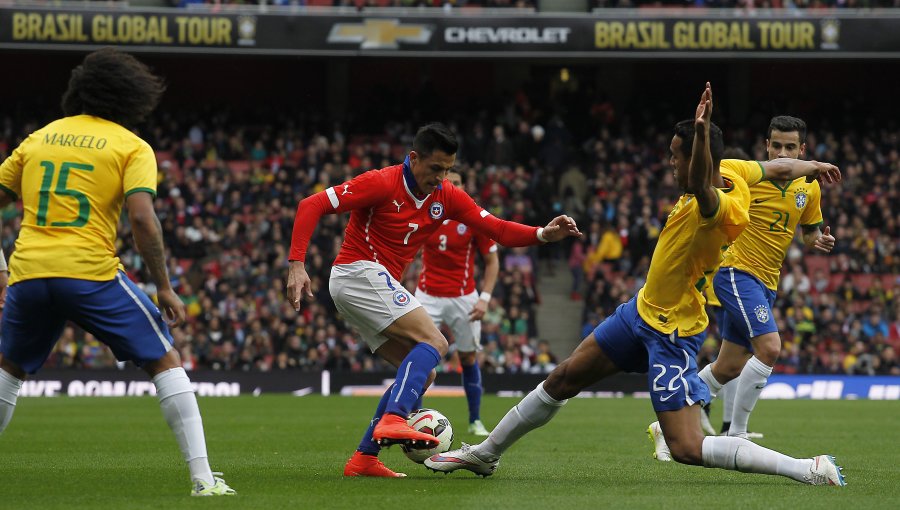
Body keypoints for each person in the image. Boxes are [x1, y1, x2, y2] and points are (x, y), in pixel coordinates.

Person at [425, 84, 846, 486]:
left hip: (672, 329)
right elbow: (777, 166)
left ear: (698, 158)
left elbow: (702, 184)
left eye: (676, 157)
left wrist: (700, 132)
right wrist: (815, 165)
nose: (671, 164)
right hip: (639, 311)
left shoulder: (725, 208)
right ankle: (486, 453)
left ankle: (807, 468)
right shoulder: (736, 168)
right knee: (563, 378)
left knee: (685, 447)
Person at [0, 48, 234, 496]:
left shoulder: (39, 138)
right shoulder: (130, 145)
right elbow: (143, 219)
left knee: (9, 370)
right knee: (165, 359)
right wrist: (164, 286)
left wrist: (1, 270)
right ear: (131, 96)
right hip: (89, 272)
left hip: (29, 272)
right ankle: (204, 480)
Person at [286, 122, 581, 478]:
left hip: (368, 283)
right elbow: (311, 204)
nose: (441, 177)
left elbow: (497, 229)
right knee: (435, 340)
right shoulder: (381, 182)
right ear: (413, 158)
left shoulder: (447, 196)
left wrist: (542, 234)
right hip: (357, 271)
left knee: (423, 373)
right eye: (435, 168)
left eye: (447, 169)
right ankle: (393, 419)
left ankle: (364, 458)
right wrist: (297, 264)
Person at [691, 116, 835, 441]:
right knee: (769, 348)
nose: (783, 152)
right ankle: (737, 434)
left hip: (767, 282)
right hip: (736, 272)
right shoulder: (747, 175)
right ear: (766, 146)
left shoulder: (809, 187)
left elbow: (809, 233)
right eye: (777, 145)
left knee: (727, 367)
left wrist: (819, 242)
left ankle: (668, 419)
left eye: (791, 146)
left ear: (802, 149)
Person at [414, 171, 499, 437]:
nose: (451, 186)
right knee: (419, 358)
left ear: (465, 187)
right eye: (447, 181)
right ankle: (413, 418)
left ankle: (475, 420)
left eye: (458, 182)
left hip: (464, 297)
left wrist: (484, 298)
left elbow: (492, 262)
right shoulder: (426, 210)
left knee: (468, 357)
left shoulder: (473, 216)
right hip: (427, 295)